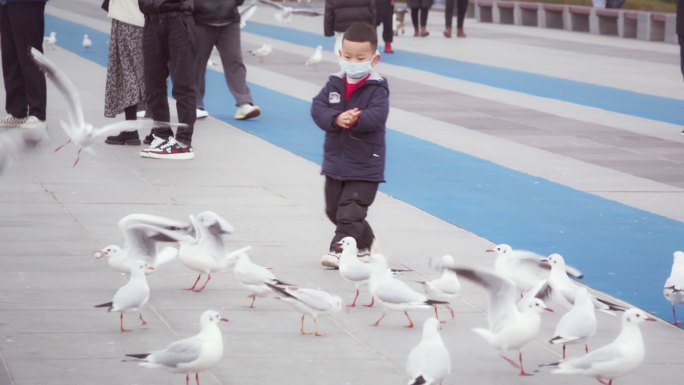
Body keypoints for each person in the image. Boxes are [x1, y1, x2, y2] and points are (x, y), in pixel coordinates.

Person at [311, 22, 390, 269]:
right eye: (348, 56)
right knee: (333, 209)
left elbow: (378, 115)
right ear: (339, 54)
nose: (353, 62)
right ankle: (365, 242)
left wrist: (357, 119)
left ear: (374, 59)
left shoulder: (377, 88)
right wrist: (335, 118)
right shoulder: (334, 83)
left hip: (366, 164)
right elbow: (318, 108)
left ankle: (338, 250)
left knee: (350, 210)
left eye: (360, 58)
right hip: (336, 162)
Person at [138, 0, 196, 160]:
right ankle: (162, 135)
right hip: (151, 19)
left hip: (178, 19)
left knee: (183, 84)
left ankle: (184, 142)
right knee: (152, 83)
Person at [194, 0, 260, 121]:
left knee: (235, 62)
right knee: (196, 64)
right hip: (200, 20)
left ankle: (244, 102)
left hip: (229, 19)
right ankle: (195, 104)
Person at [103, 0, 147, 145]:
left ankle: (131, 130)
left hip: (128, 18)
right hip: (140, 19)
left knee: (128, 73)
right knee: (141, 74)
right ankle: (157, 132)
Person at [0, 0, 48, 130]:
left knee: (29, 56)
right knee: (10, 57)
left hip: (27, 3)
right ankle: (17, 111)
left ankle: (38, 114)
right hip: (5, 4)